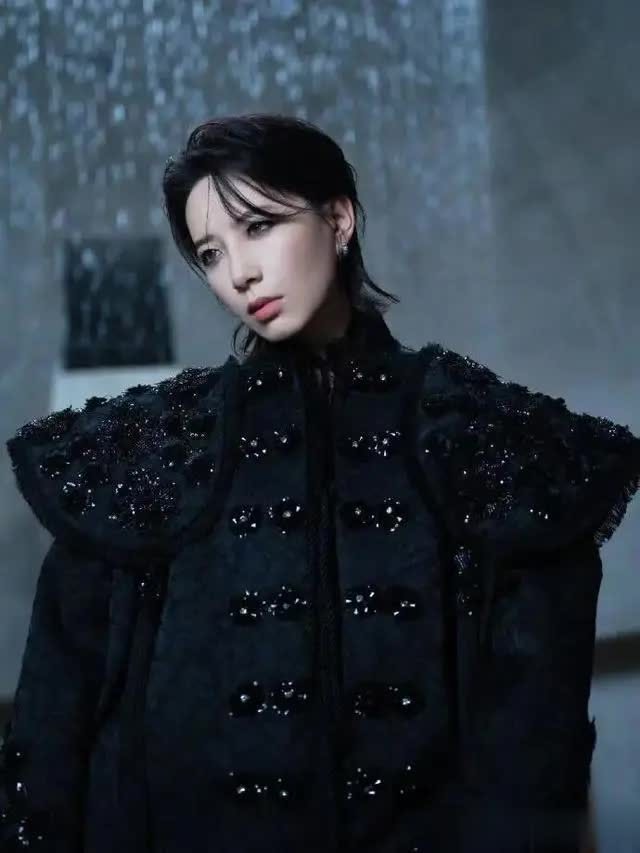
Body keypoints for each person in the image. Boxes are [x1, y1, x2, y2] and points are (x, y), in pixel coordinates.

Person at [2, 112, 639, 853]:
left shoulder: (476, 432)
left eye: (259, 227)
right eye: (210, 253)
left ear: (338, 219)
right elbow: (51, 733)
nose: (238, 274)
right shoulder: (148, 451)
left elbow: (536, 743)